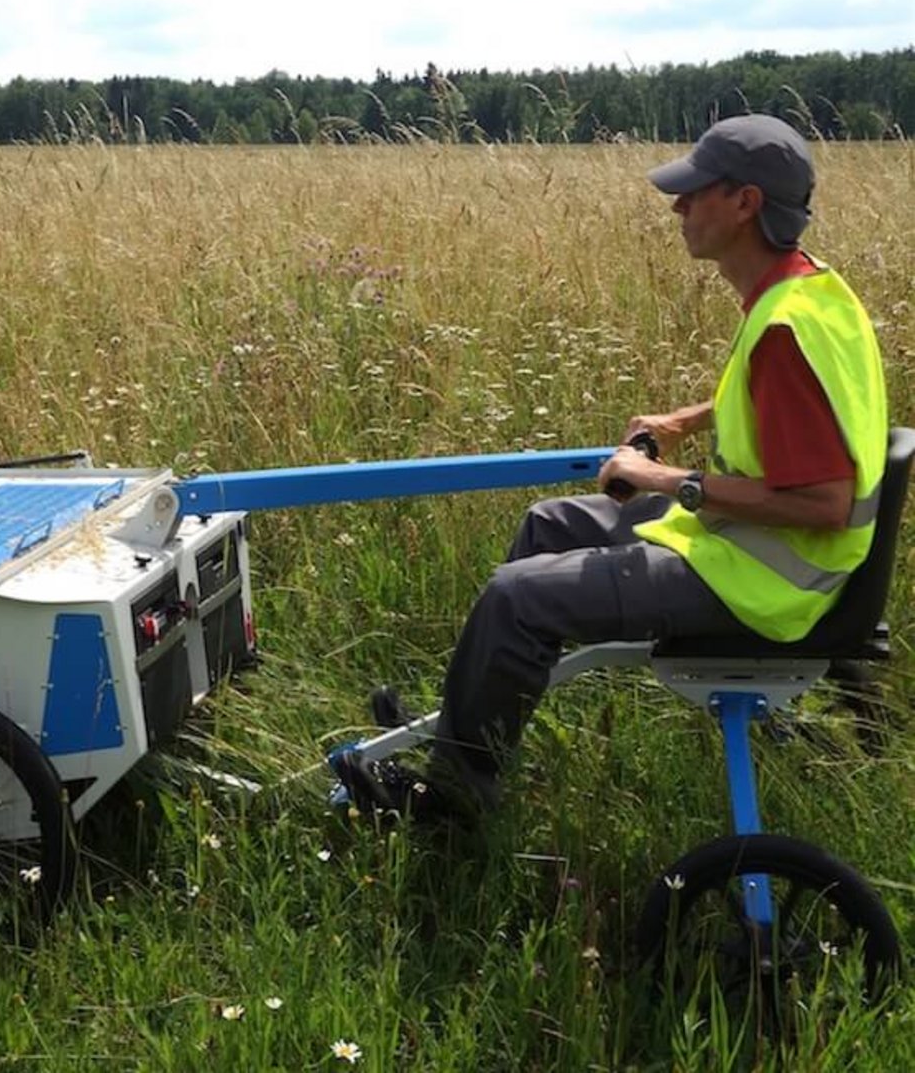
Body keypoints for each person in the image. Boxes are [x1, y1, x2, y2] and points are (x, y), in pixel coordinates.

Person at [342, 113, 889, 824]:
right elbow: (795, 409)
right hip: (749, 548)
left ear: (746, 203)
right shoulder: (809, 291)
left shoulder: (784, 329)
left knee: (517, 597)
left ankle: (454, 802)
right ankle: (472, 731)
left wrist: (668, 480)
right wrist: (685, 421)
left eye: (696, 191)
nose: (678, 205)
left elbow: (823, 502)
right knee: (546, 525)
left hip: (766, 580)